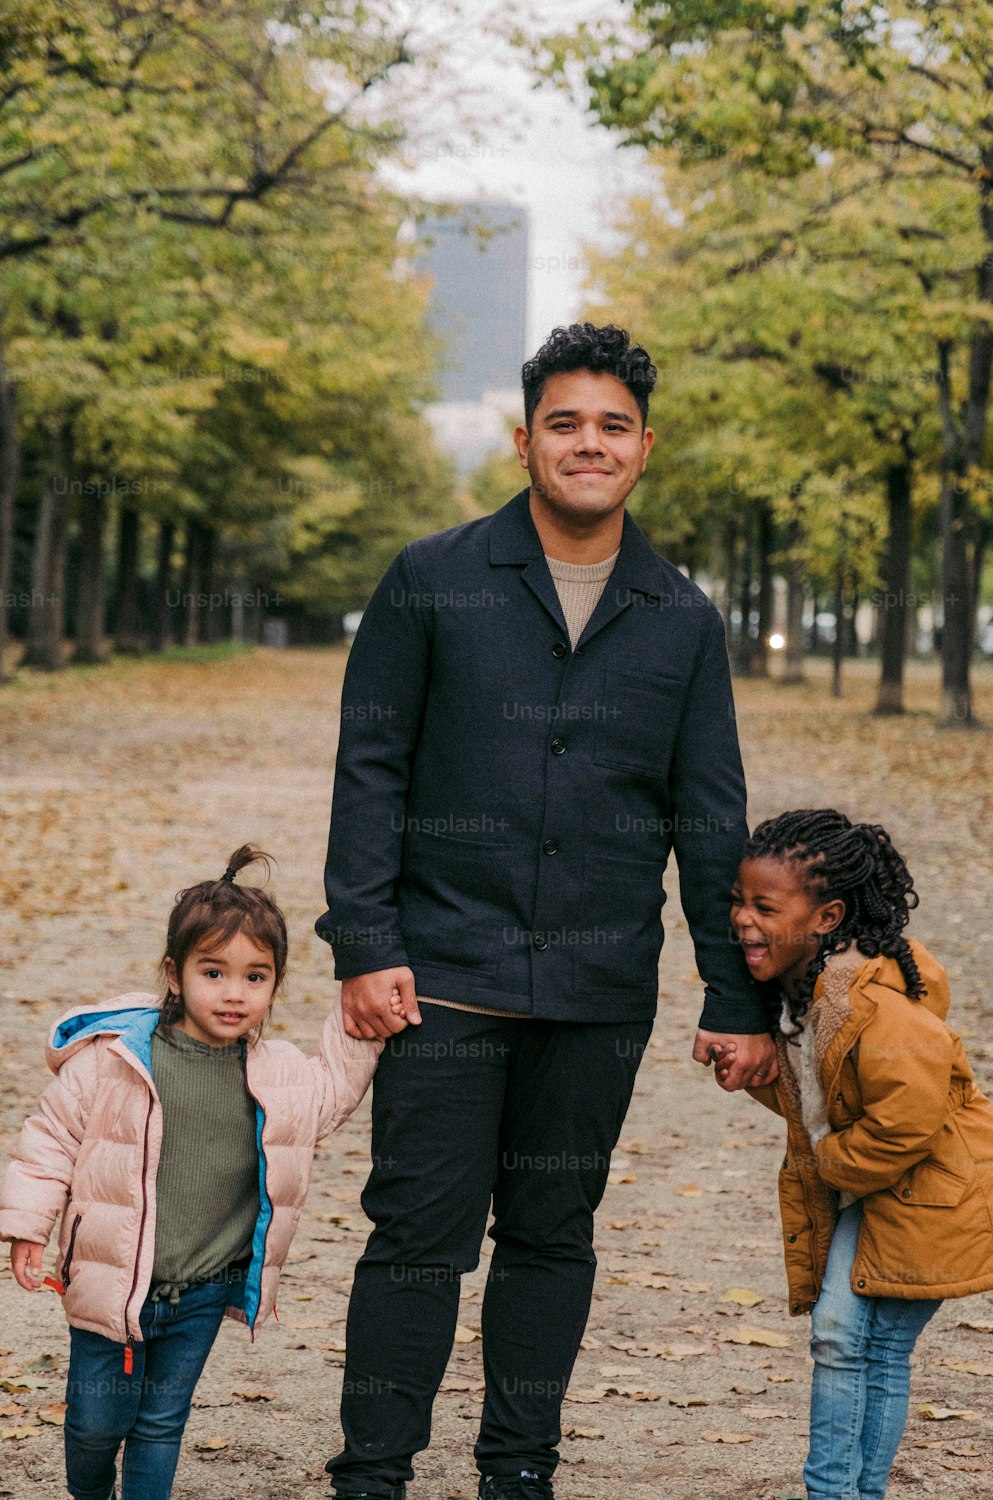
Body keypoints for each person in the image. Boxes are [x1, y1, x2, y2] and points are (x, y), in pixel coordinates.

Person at [315, 322, 777, 1500]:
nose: (588, 443)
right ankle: (372, 1474)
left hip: (594, 991)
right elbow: (370, 769)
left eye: (611, 426)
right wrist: (363, 946)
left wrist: (737, 992)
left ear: (644, 447)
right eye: (563, 423)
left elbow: (708, 816)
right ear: (526, 440)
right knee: (418, 1240)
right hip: (441, 980)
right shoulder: (432, 578)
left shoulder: (681, 615)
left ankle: (518, 1471)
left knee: (550, 1239)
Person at [0, 845, 384, 1500]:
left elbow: (331, 1090)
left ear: (274, 984)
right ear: (175, 976)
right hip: (111, 1282)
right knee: (95, 1427)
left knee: (159, 1424)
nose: (234, 993)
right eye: (214, 972)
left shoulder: (276, 1077)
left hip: (202, 1290)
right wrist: (27, 1226)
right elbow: (50, 1139)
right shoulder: (114, 1063)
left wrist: (369, 1016)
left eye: (255, 977)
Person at [726, 809, 993, 1500]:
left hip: (938, 1192)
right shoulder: (802, 992)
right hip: (883, 1184)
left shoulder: (871, 1007)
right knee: (847, 1338)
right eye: (737, 901)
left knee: (858, 1341)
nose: (742, 919)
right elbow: (827, 1102)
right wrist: (758, 1074)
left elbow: (906, 1119)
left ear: (828, 916)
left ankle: (837, 1493)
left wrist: (830, 1164)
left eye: (763, 906)